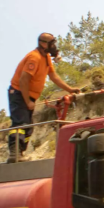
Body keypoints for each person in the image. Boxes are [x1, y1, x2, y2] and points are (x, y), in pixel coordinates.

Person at [7, 33, 80, 163]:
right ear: (43, 44)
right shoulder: (34, 58)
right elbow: (24, 80)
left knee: (28, 127)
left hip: (28, 95)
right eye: (52, 44)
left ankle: (20, 153)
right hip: (19, 94)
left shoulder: (45, 57)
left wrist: (70, 89)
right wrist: (27, 101)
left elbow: (53, 76)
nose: (54, 47)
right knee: (20, 124)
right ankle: (14, 154)